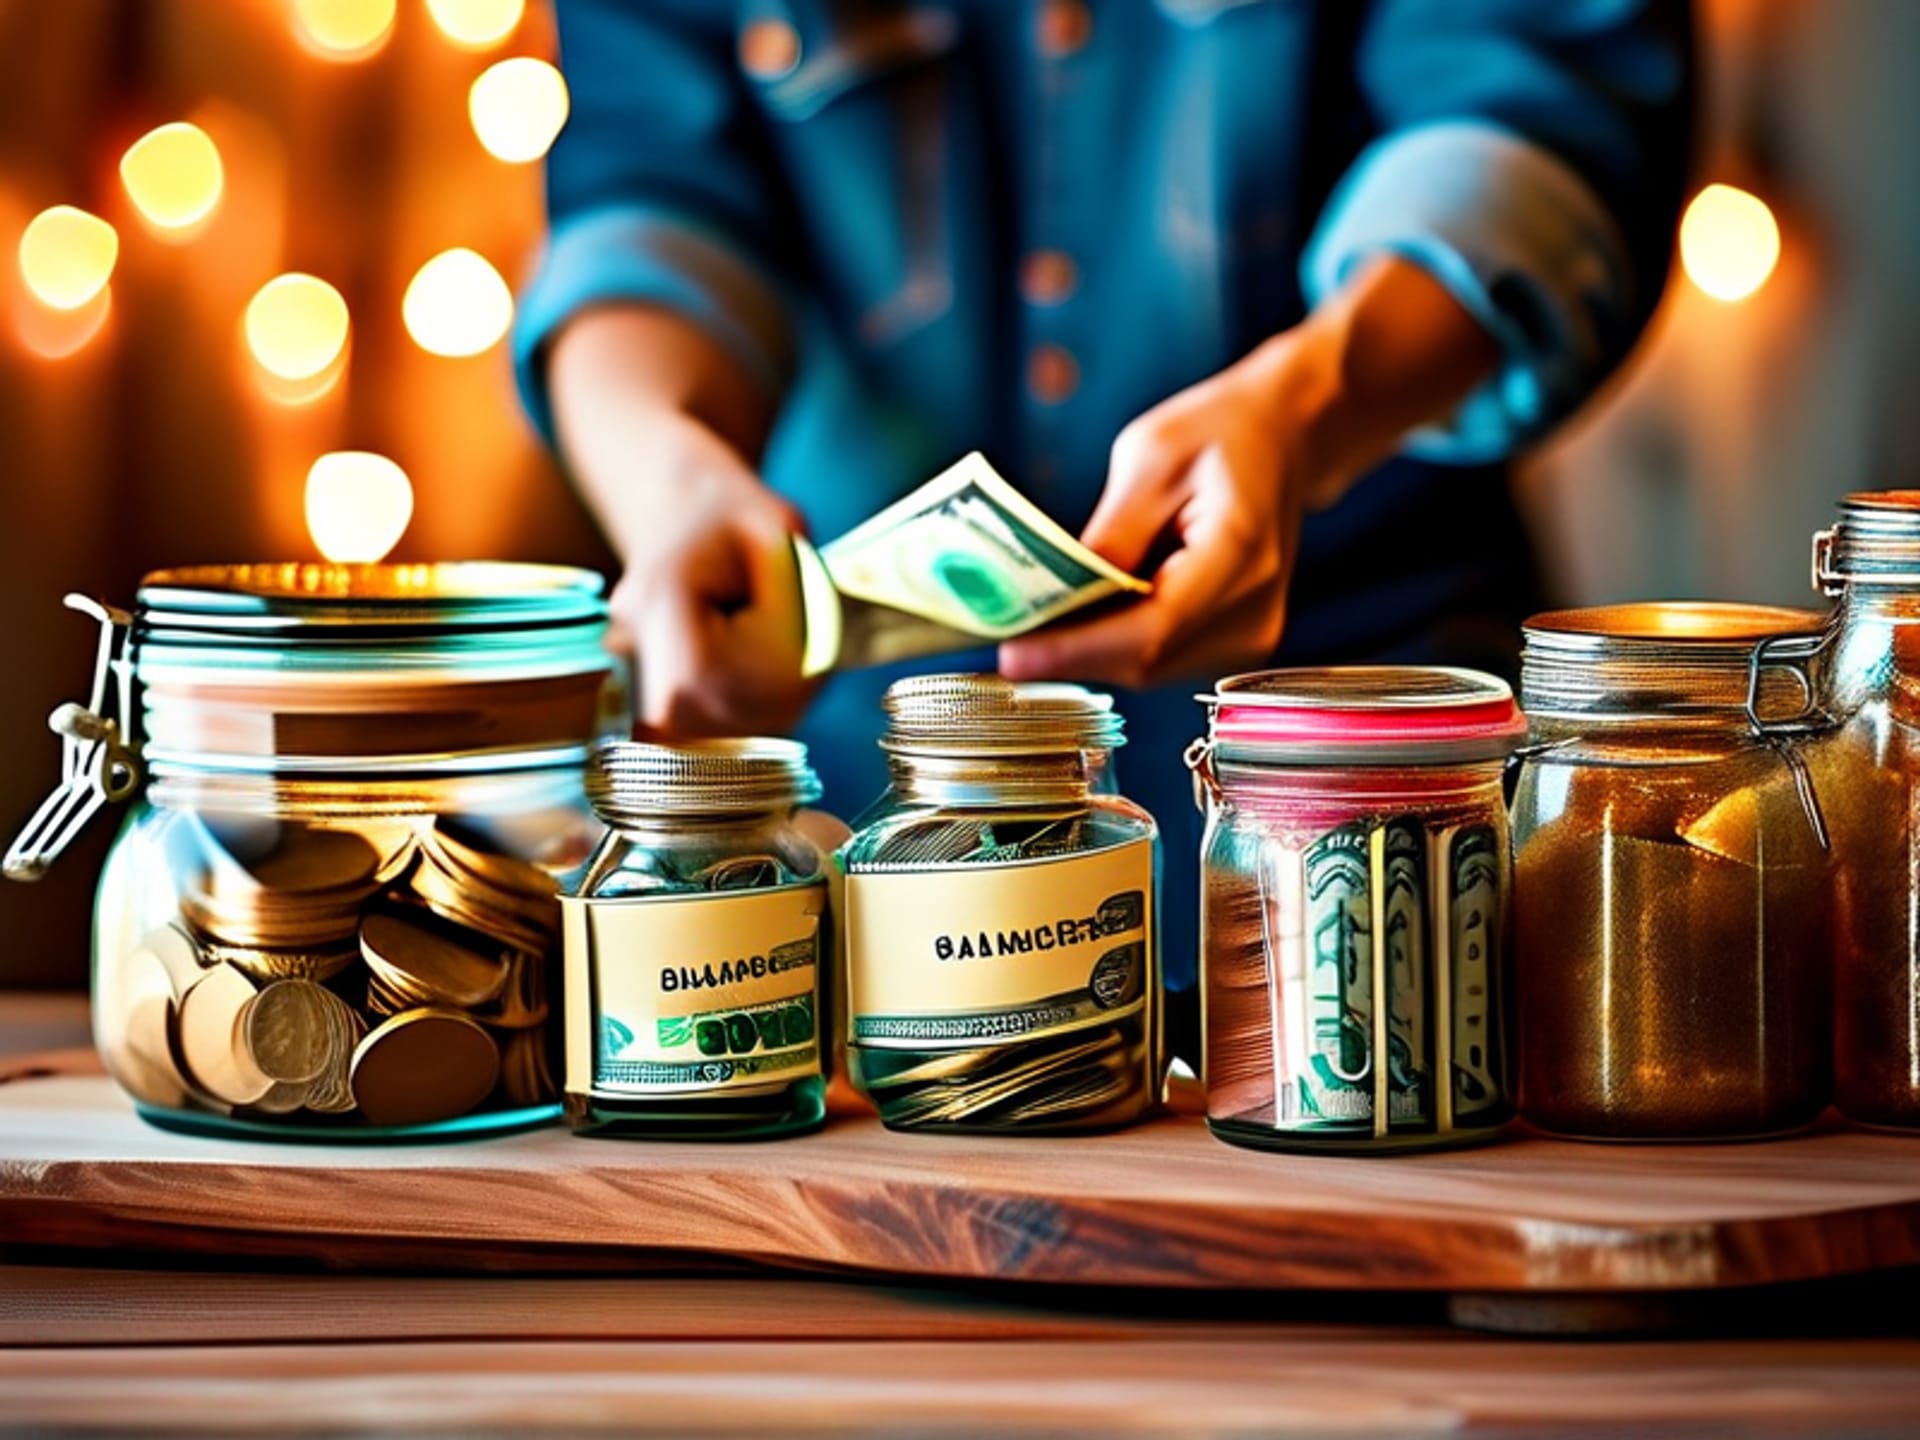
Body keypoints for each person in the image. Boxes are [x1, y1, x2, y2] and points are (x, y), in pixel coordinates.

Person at [514, 0, 1693, 1060]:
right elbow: (646, 180)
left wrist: (1307, 407)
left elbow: (1543, 109)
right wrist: (666, 482)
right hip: (850, 789)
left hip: (1378, 755)